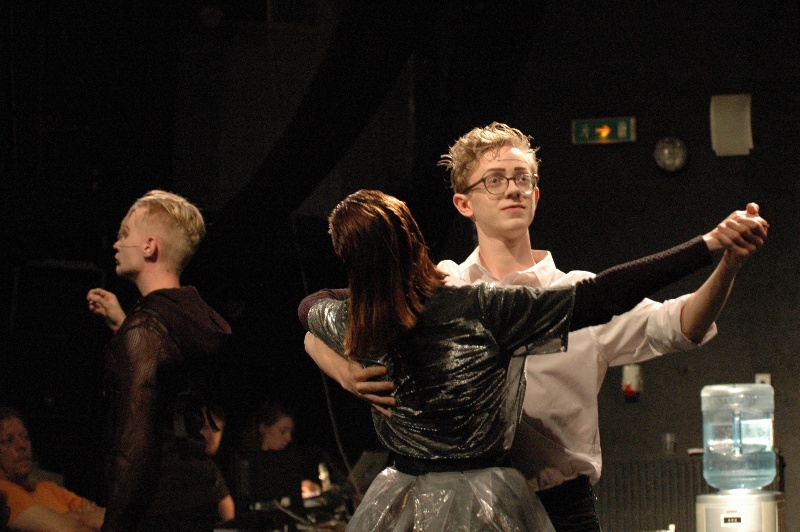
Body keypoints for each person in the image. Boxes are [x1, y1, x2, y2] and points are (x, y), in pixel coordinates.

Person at [322, 124, 769, 530]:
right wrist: (345, 372)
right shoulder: (443, 290)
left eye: (522, 179)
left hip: (559, 506)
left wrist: (728, 263)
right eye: (494, 180)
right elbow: (326, 315)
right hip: (461, 508)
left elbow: (681, 324)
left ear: (536, 194)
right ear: (463, 203)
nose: (512, 189)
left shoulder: (571, 292)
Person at [86, 190, 232, 531]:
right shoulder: (195, 319)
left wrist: (115, 524)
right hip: (197, 496)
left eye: (125, 234)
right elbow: (173, 382)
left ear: (150, 246)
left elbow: (134, 441)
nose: (116, 244)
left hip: (156, 505)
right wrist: (125, 327)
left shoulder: (147, 329)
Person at [0, 405, 105, 531]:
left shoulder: (48, 488)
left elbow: (109, 517)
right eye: (8, 440)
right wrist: (81, 518)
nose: (22, 445)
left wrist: (74, 518)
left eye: (25, 437)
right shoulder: (5, 493)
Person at [230, 399, 328, 531]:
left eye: (290, 432)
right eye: (283, 431)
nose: (289, 438)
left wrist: (303, 486)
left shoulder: (289, 459)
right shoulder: (244, 463)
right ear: (264, 429)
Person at [200, 405, 235, 523]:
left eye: (217, 430)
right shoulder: (205, 468)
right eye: (206, 428)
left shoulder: (220, 466)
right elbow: (229, 516)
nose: (212, 437)